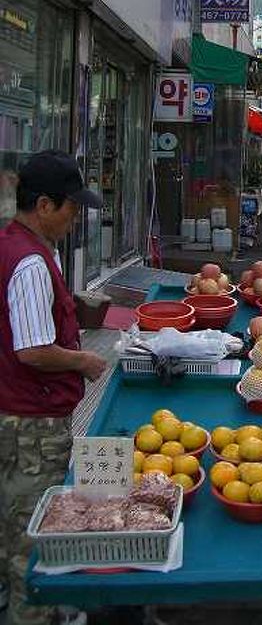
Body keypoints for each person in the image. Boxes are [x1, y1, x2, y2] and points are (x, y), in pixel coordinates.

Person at [0, 150, 108, 625]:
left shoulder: (15, 244)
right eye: (71, 207)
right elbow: (32, 350)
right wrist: (83, 360)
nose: (75, 217)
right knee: (31, 545)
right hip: (29, 423)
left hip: (18, 413)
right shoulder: (28, 263)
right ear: (44, 205)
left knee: (12, 530)